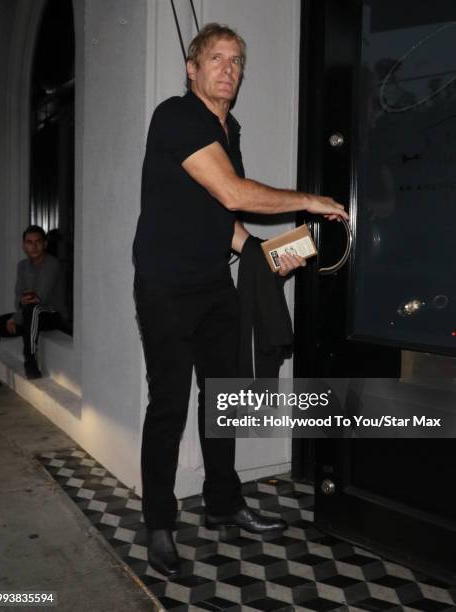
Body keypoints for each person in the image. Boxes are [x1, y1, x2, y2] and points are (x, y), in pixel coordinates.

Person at [132, 23, 349, 576]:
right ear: (192, 68)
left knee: (223, 398)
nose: (229, 70)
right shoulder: (176, 117)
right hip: (165, 287)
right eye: (218, 59)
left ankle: (224, 503)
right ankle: (159, 522)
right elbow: (232, 190)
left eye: (237, 62)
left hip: (211, 285)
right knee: (168, 405)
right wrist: (309, 201)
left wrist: (265, 253)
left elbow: (223, 215)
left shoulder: (231, 130)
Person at [0, 225, 66, 389]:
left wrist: (16, 317)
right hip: (30, 315)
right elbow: (19, 296)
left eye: (38, 242)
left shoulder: (52, 264)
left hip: (52, 314)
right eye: (29, 242)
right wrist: (17, 312)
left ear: (45, 244)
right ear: (24, 246)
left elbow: (40, 297)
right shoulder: (22, 265)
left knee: (33, 309)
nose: (34, 246)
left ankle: (30, 360)